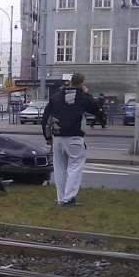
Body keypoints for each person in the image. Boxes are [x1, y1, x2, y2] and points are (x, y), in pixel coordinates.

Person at [40, 72, 102, 207]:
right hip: (74, 137)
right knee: (75, 168)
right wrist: (87, 94)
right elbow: (96, 110)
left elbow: (45, 119)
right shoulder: (82, 97)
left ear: (70, 81)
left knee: (59, 169)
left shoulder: (56, 97)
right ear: (81, 83)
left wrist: (48, 137)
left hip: (58, 137)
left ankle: (61, 198)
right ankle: (69, 198)